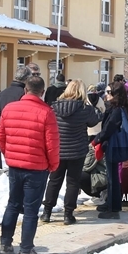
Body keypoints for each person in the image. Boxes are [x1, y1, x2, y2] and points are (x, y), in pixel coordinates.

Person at [0, 75, 60, 254]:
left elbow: (1, 137)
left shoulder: (9, 109)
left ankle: (5, 244)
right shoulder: (46, 112)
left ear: (25, 90)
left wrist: (9, 154)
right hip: (37, 167)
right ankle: (26, 250)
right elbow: (52, 144)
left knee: (13, 204)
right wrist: (53, 165)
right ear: (42, 92)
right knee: (31, 209)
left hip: (15, 165)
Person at [43, 80, 101, 225]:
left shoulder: (54, 107)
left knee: (54, 181)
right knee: (73, 183)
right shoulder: (84, 109)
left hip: (58, 150)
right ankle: (68, 214)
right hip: (77, 151)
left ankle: (47, 212)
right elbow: (93, 122)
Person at [92, 82, 128, 219]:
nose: (106, 94)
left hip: (113, 145)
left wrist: (97, 139)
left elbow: (108, 128)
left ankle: (113, 209)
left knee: (112, 177)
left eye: (109, 92)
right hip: (113, 145)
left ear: (116, 95)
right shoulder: (118, 108)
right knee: (112, 176)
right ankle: (113, 203)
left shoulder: (116, 110)